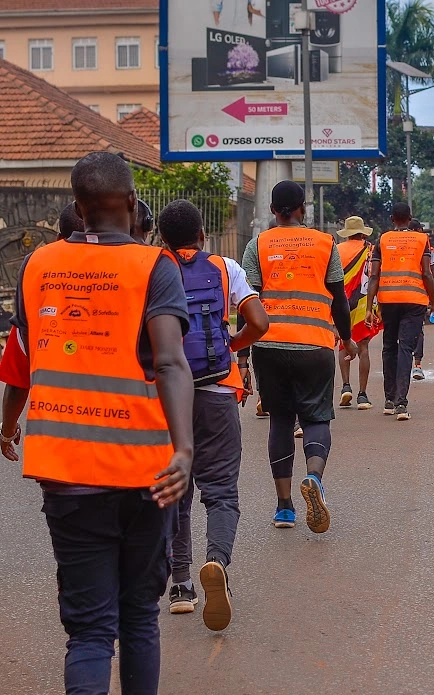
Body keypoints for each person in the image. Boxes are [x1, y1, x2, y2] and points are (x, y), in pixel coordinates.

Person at [0, 151, 194, 694]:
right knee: (138, 616)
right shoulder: (154, 267)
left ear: (77, 208)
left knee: (88, 631)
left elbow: (26, 355)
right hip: (146, 472)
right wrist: (183, 449)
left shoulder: (37, 265)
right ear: (133, 204)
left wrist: (7, 426)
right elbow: (172, 360)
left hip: (66, 472)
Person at [160, 200, 269, 630]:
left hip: (167, 396)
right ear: (203, 235)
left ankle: (181, 586)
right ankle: (217, 562)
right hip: (218, 389)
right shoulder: (226, 268)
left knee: (177, 489)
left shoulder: (152, 269)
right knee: (221, 489)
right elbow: (259, 323)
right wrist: (230, 349)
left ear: (162, 239)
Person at [242, 181, 357, 533]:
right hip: (315, 345)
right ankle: (314, 478)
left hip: (270, 345)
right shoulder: (325, 244)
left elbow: (249, 303)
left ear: (274, 210)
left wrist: (244, 356)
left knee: (280, 420)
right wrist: (348, 338)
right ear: (303, 208)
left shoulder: (257, 245)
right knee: (316, 417)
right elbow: (338, 298)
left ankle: (284, 508)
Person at [365, 202, 434, 421]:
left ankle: (388, 400)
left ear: (391, 218)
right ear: (410, 217)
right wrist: (433, 302)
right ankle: (401, 403)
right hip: (414, 301)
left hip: (388, 301)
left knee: (389, 347)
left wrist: (369, 307)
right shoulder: (421, 240)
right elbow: (427, 273)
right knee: (406, 348)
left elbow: (374, 276)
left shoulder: (382, 240)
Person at [335, 216, 382, 409]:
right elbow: (374, 277)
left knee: (343, 346)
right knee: (363, 348)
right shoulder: (370, 250)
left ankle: (346, 386)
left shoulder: (336, 251)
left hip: (342, 303)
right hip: (363, 304)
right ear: (363, 233)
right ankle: (363, 395)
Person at [409, 218, 429, 381]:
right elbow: (428, 273)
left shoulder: (389, 240)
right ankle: (417, 366)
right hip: (416, 296)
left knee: (396, 334)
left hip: (392, 296)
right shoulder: (422, 242)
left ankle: (399, 366)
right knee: (418, 331)